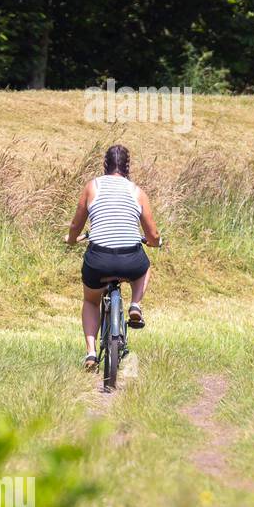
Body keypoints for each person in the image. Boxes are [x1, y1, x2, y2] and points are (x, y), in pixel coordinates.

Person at [66, 145, 162, 369]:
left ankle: (90, 353)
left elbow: (75, 224)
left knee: (91, 300)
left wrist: (71, 239)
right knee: (145, 266)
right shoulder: (137, 191)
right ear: (128, 167)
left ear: (104, 165)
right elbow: (152, 234)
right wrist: (155, 243)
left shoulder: (92, 187)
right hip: (130, 260)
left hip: (98, 260)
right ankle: (135, 305)